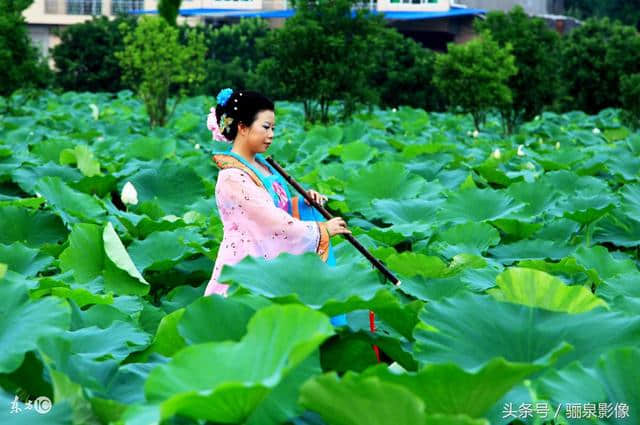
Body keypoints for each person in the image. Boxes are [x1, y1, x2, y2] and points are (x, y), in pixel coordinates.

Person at [203, 88, 351, 326]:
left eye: (273, 128)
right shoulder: (232, 176)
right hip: (246, 264)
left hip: (267, 260)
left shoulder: (261, 165)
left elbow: (276, 208)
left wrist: (302, 204)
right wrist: (321, 230)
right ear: (242, 127)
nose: (271, 135)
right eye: (265, 127)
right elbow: (270, 220)